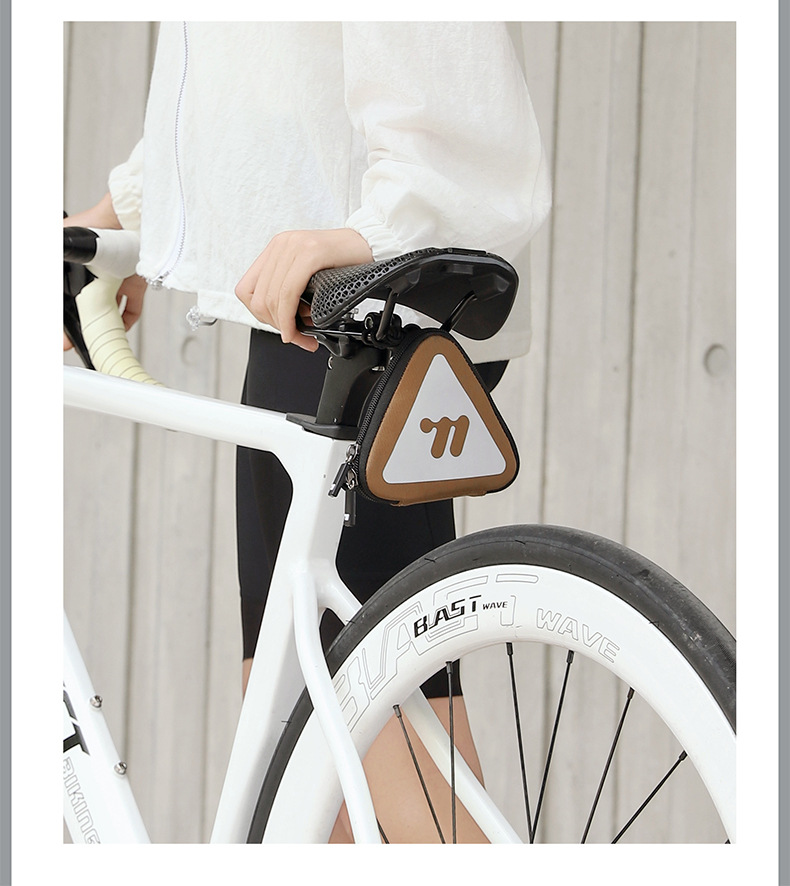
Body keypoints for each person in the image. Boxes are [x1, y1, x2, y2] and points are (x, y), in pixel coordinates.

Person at [65, 21, 551, 842]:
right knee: (302, 751)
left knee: (382, 745)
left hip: (354, 301)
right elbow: (244, 52)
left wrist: (396, 226)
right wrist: (124, 216)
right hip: (295, 304)